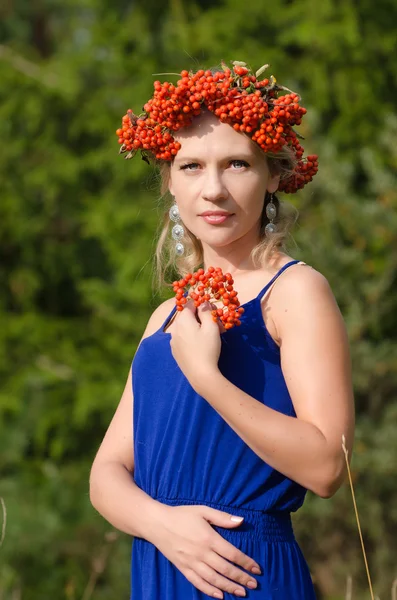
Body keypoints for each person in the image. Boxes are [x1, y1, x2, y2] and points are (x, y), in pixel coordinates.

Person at [89, 61, 355, 599]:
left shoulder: (295, 292)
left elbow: (328, 466)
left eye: (236, 164)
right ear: (167, 178)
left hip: (245, 571)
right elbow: (105, 474)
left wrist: (207, 378)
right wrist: (162, 524)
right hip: (164, 562)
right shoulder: (165, 317)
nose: (213, 190)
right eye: (191, 167)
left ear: (273, 175)